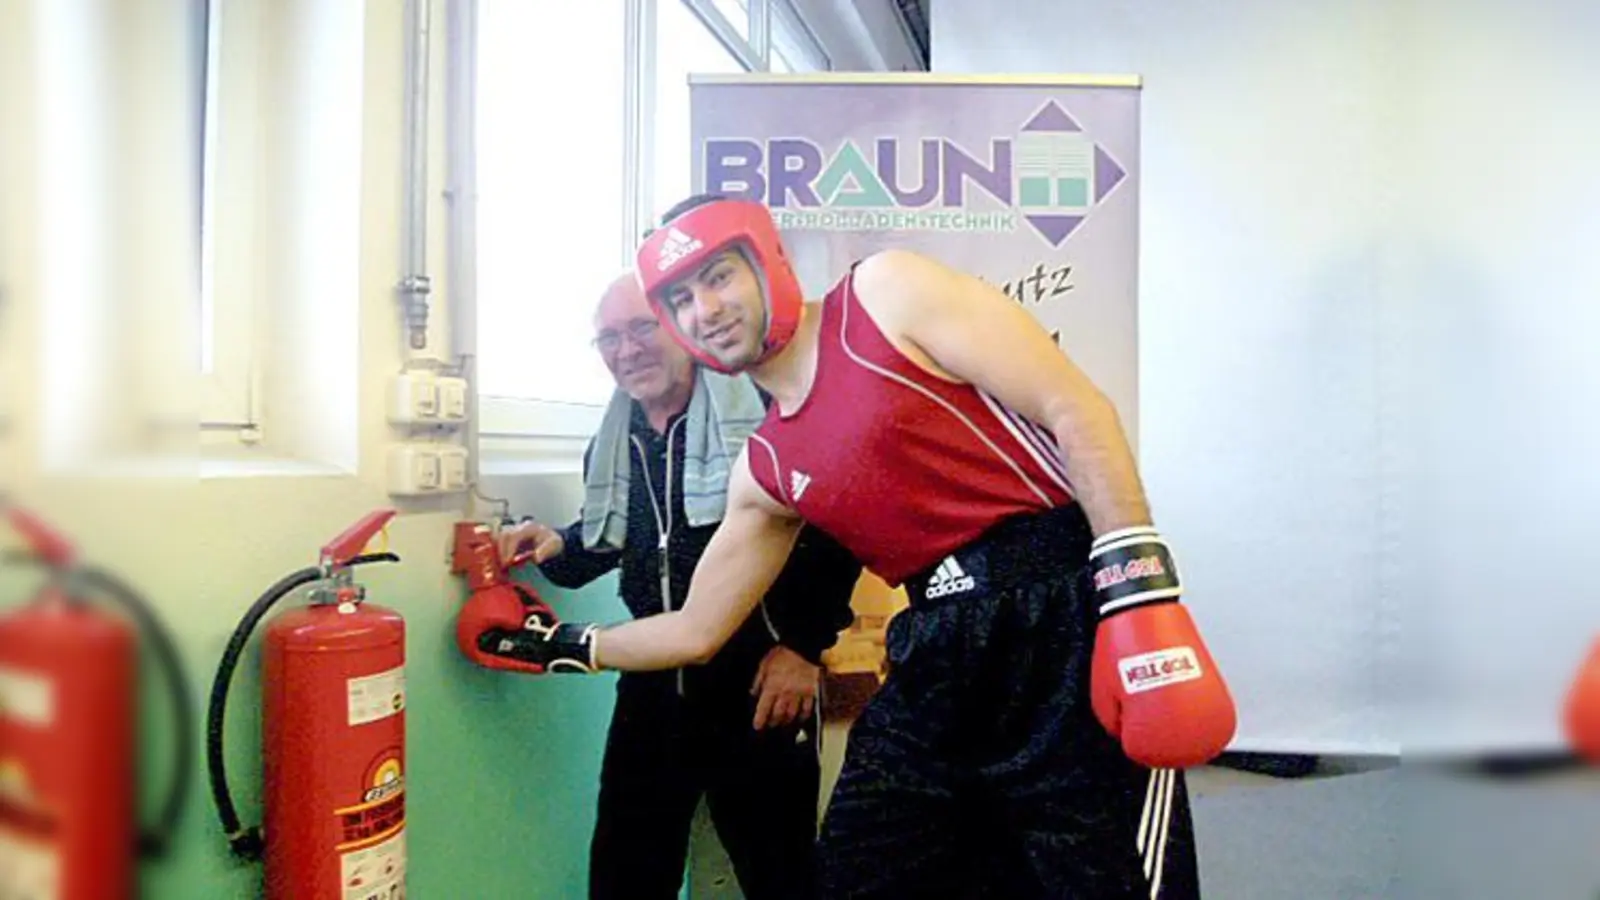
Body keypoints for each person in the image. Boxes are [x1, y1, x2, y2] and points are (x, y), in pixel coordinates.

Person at [490, 196, 1238, 899]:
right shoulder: (765, 467)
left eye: (717, 277)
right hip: (935, 649)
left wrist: (1140, 592)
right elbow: (695, 628)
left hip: (1058, 609)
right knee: (857, 871)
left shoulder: (885, 293)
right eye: (680, 299)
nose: (706, 309)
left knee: (1100, 877)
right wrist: (556, 645)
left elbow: (1074, 408)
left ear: (770, 262)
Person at [494, 272, 861, 900]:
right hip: (653, 687)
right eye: (608, 338)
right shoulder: (613, 444)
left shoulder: (763, 419)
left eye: (641, 328)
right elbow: (617, 544)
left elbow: (836, 529)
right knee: (625, 876)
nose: (626, 349)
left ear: (681, 325)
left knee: (784, 877)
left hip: (761, 682)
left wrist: (803, 647)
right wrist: (555, 545)